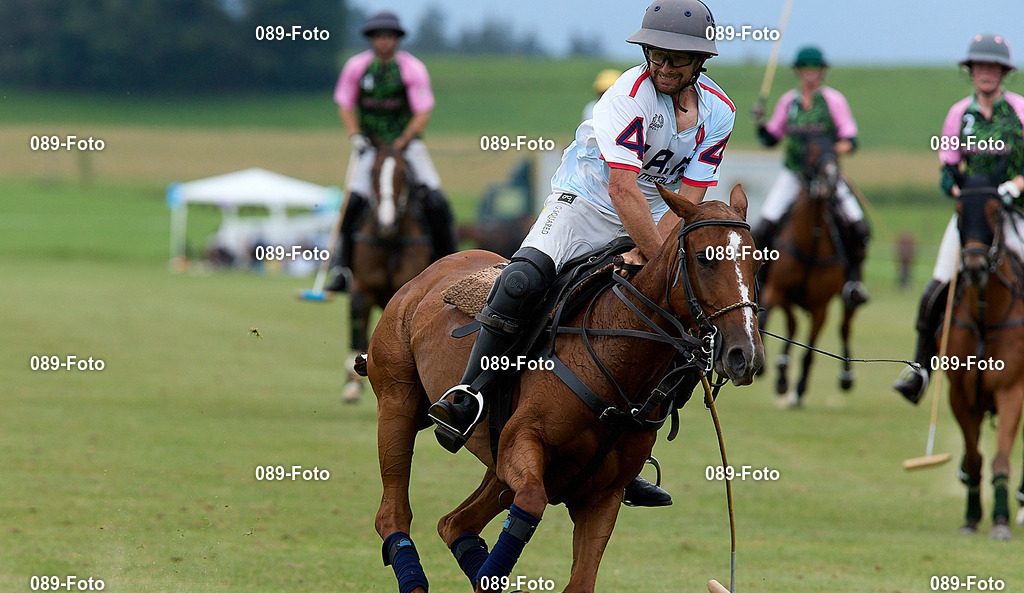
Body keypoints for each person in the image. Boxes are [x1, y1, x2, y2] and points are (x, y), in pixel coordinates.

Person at [428, 0, 735, 507]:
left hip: (656, 216)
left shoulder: (719, 112)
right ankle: (470, 393)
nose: (662, 66)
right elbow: (622, 188)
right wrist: (655, 256)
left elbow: (693, 196)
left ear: (700, 62)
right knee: (521, 280)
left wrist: (657, 262)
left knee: (681, 324)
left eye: (675, 60)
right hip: (585, 204)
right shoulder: (626, 95)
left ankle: (627, 450)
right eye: (655, 54)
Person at [893, 33, 1024, 403]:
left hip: (1012, 213)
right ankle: (920, 370)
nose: (986, 72)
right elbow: (947, 171)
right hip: (971, 219)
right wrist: (961, 195)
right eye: (979, 66)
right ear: (971, 71)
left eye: (993, 66)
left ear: (1003, 72)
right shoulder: (958, 114)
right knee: (936, 286)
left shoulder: (1020, 110)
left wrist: (1015, 184)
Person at [325, 10, 456, 293]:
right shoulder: (357, 67)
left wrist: (403, 141)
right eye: (378, 36)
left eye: (389, 36)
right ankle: (344, 269)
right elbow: (345, 106)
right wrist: (355, 136)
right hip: (370, 148)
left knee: (436, 200)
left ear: (397, 39)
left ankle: (450, 265)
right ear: (371, 39)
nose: (384, 42)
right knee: (353, 204)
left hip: (407, 148)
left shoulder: (412, 68)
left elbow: (422, 112)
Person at [751, 46, 871, 309]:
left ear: (822, 72)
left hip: (826, 176)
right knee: (764, 227)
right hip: (794, 175)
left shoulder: (833, 100)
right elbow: (771, 138)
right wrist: (760, 123)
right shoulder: (788, 102)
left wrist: (830, 150)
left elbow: (851, 140)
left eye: (815, 70)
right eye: (806, 70)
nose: (811, 75)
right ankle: (758, 282)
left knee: (858, 226)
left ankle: (852, 282)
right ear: (799, 72)